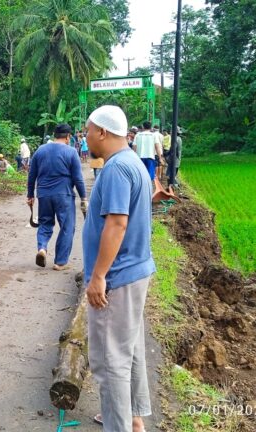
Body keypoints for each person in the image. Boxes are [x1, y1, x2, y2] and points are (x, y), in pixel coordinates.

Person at [83, 105, 156, 432]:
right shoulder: (132, 163)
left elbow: (116, 223)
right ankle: (133, 417)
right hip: (136, 269)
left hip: (117, 277)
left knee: (110, 359)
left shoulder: (115, 170)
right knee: (130, 347)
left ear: (101, 131)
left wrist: (98, 276)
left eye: (87, 131)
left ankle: (120, 425)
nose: (85, 139)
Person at [26, 124, 87, 271]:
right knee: (67, 226)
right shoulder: (71, 152)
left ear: (54, 135)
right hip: (63, 195)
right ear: (67, 137)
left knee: (45, 223)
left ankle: (42, 248)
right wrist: (83, 197)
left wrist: (30, 195)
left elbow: (31, 175)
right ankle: (60, 262)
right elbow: (78, 178)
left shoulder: (40, 151)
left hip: (44, 194)